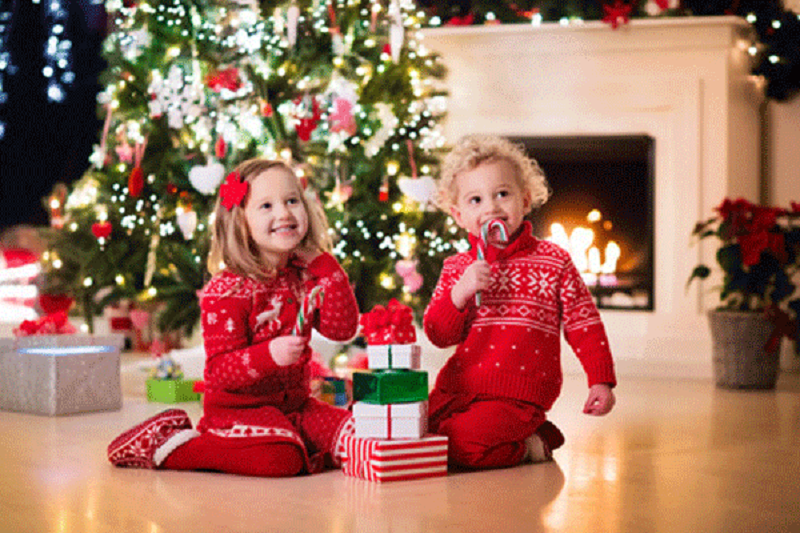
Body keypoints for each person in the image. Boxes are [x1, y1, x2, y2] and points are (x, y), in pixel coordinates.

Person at [108, 158, 360, 476]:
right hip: (239, 412)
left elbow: (342, 329)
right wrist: (269, 355)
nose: (284, 213)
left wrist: (326, 266)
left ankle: (293, 438)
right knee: (281, 459)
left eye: (292, 200)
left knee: (358, 435)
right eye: (266, 205)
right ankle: (169, 446)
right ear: (239, 222)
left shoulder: (304, 276)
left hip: (297, 407)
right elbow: (219, 371)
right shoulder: (228, 290)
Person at [423, 134, 617, 470]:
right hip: (459, 388)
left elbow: (583, 323)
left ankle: (532, 444)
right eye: (475, 200)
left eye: (502, 194)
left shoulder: (553, 261)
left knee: (458, 445)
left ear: (525, 200)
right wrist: (460, 294)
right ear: (458, 215)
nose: (491, 207)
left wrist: (600, 379)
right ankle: (513, 434)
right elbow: (439, 335)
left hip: (517, 395)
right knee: (418, 433)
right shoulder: (457, 268)